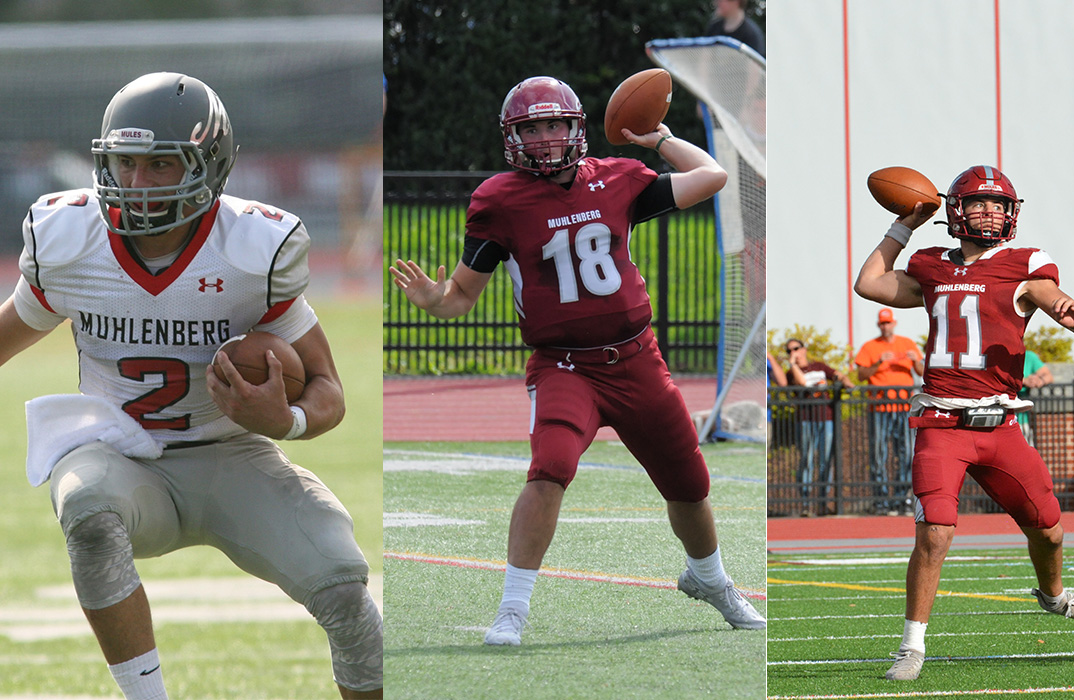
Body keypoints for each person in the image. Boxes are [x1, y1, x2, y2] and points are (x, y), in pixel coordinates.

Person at [1, 73, 383, 699]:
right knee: (89, 509)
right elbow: (11, 331)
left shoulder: (254, 248)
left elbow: (327, 389)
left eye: (160, 164)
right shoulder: (70, 240)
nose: (138, 184)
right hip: (118, 451)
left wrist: (281, 420)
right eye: (125, 163)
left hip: (231, 454)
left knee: (343, 585)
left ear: (211, 163)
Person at [389, 76, 764, 646]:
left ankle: (710, 579)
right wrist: (433, 300)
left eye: (554, 124)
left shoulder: (618, 178)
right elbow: (461, 296)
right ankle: (512, 609)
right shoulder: (500, 200)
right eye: (531, 128)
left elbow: (711, 176)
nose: (544, 137)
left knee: (688, 483)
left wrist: (658, 137)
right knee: (550, 467)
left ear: (576, 128)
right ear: (513, 137)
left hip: (638, 359)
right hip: (565, 366)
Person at [854, 164, 1074, 682]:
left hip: (999, 427)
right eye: (978, 202)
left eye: (1000, 204)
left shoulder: (1025, 264)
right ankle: (912, 647)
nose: (991, 212)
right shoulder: (931, 264)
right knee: (935, 532)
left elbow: (1055, 302)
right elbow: (870, 284)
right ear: (954, 211)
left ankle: (1055, 597)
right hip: (941, 423)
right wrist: (903, 224)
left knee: (1051, 532)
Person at [854, 308, 924, 514]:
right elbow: (861, 375)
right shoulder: (870, 347)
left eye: (888, 323)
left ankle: (902, 498)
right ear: (879, 325)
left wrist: (915, 361)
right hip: (880, 408)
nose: (885, 326)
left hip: (903, 407)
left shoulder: (907, 343)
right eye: (882, 323)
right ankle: (882, 500)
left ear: (894, 323)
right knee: (879, 453)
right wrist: (879, 362)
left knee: (905, 452)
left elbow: (921, 372)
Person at [784, 339, 854, 516]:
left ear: (804, 349)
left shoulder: (819, 366)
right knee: (806, 460)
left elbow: (837, 374)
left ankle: (823, 501)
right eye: (789, 350)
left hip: (826, 419)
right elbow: (803, 384)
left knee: (825, 461)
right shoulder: (791, 373)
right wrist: (793, 364)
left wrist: (846, 382)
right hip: (806, 420)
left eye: (796, 348)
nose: (793, 352)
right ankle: (806, 503)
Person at [1017, 349, 1053, 446]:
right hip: (1001, 420)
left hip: (1022, 420)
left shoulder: (1029, 356)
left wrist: (1039, 381)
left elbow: (1049, 375)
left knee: (1026, 454)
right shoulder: (998, 356)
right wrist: (1023, 381)